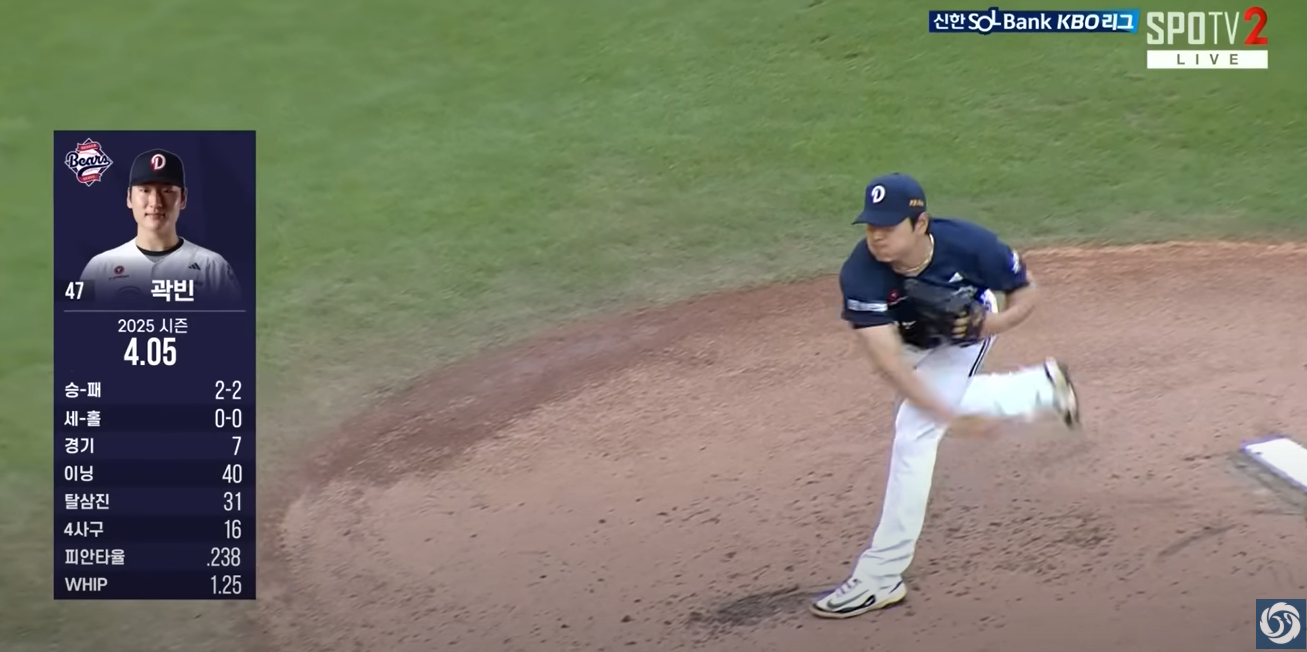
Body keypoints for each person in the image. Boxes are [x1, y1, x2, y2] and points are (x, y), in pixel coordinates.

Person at [809, 172, 1080, 619]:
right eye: (871, 226)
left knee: (914, 430)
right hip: (907, 340)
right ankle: (1040, 388)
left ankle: (880, 577)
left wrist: (991, 325)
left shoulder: (969, 244)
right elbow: (889, 363)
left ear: (920, 224)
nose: (877, 236)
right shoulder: (861, 273)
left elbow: (1027, 289)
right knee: (925, 409)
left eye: (888, 226)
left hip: (964, 335)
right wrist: (948, 414)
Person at [79, 148, 241, 304]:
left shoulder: (212, 267)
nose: (155, 202)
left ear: (183, 198)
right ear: (129, 197)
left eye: (167, 191)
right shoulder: (99, 268)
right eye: (145, 190)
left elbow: (232, 322)